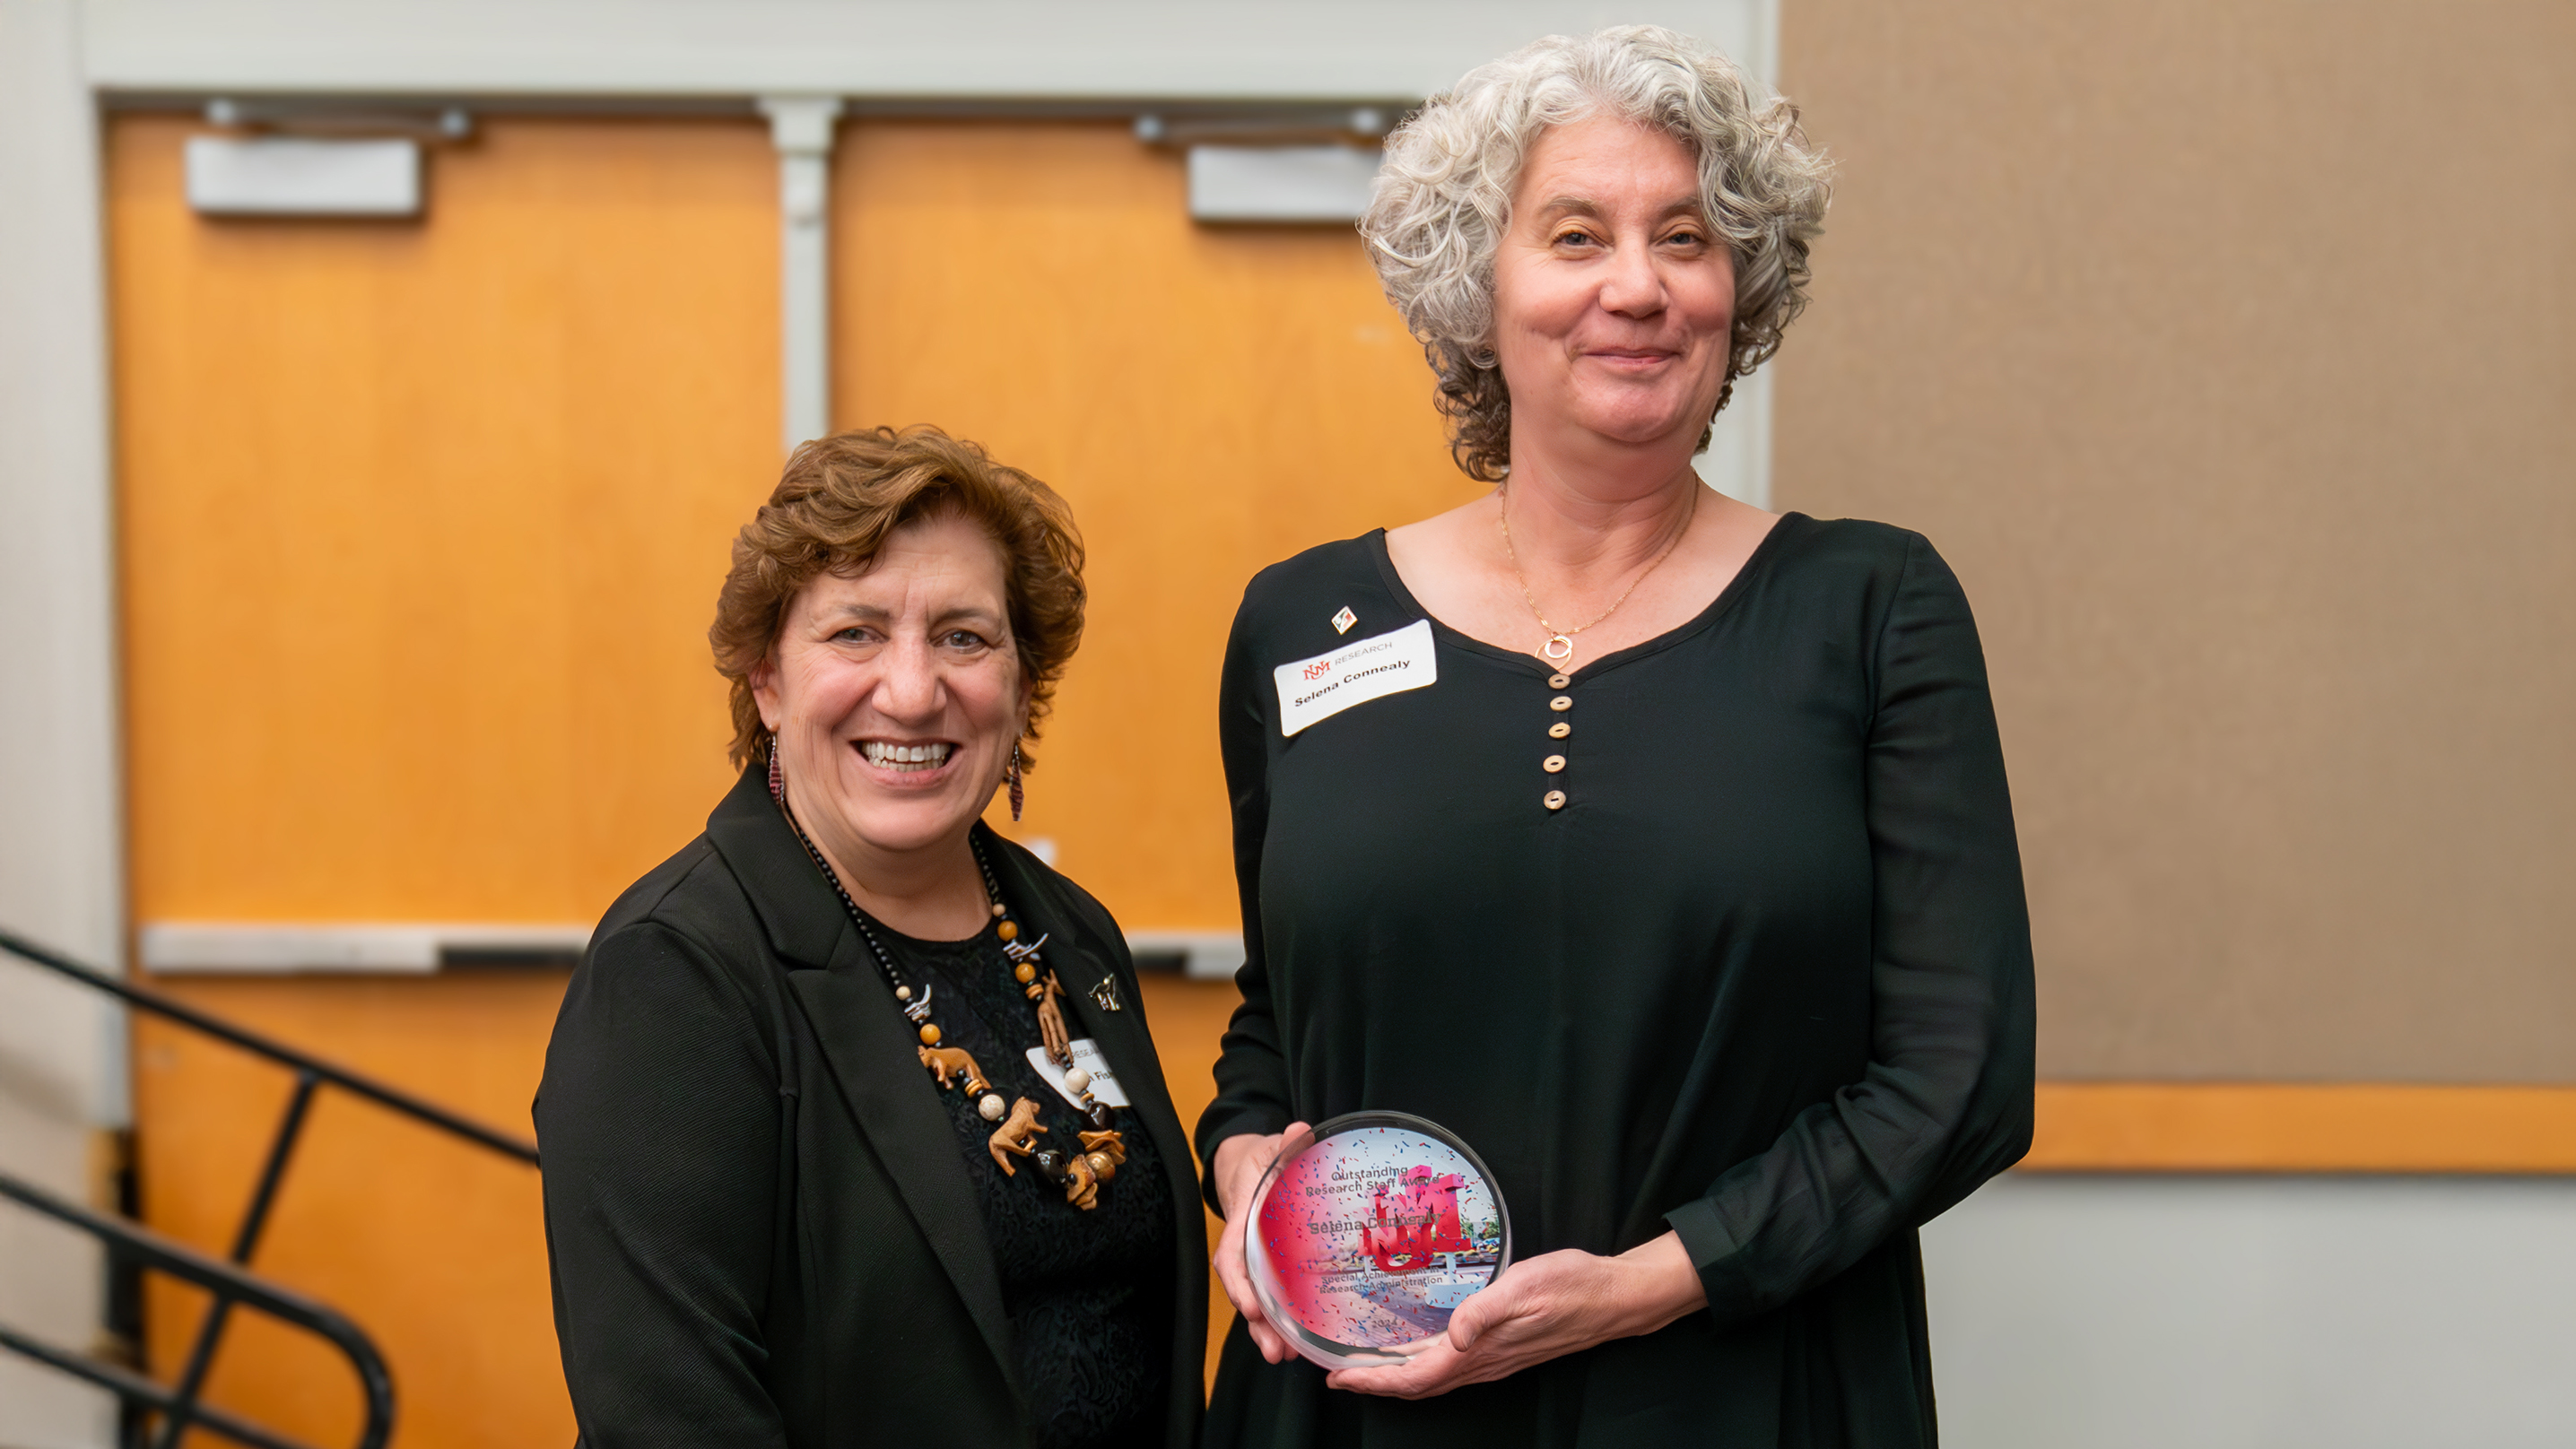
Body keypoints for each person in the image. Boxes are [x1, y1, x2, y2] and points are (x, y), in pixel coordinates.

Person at [1196, 27, 2033, 1448]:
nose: (1635, 287)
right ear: (1481, 287)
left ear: (1741, 286)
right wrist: (1247, 1180)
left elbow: (1958, 1077)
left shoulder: (1872, 610)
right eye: (1575, 234)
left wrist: (1649, 1285)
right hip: (1362, 1394)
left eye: (1687, 237)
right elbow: (1280, 1020)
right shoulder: (1302, 622)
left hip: (1744, 1386)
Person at [536, 426, 1205, 1449]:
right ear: (767, 678)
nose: (911, 688)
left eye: (963, 636)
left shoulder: (1070, 932)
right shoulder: (676, 971)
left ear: (1022, 684)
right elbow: (671, 1417)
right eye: (854, 632)